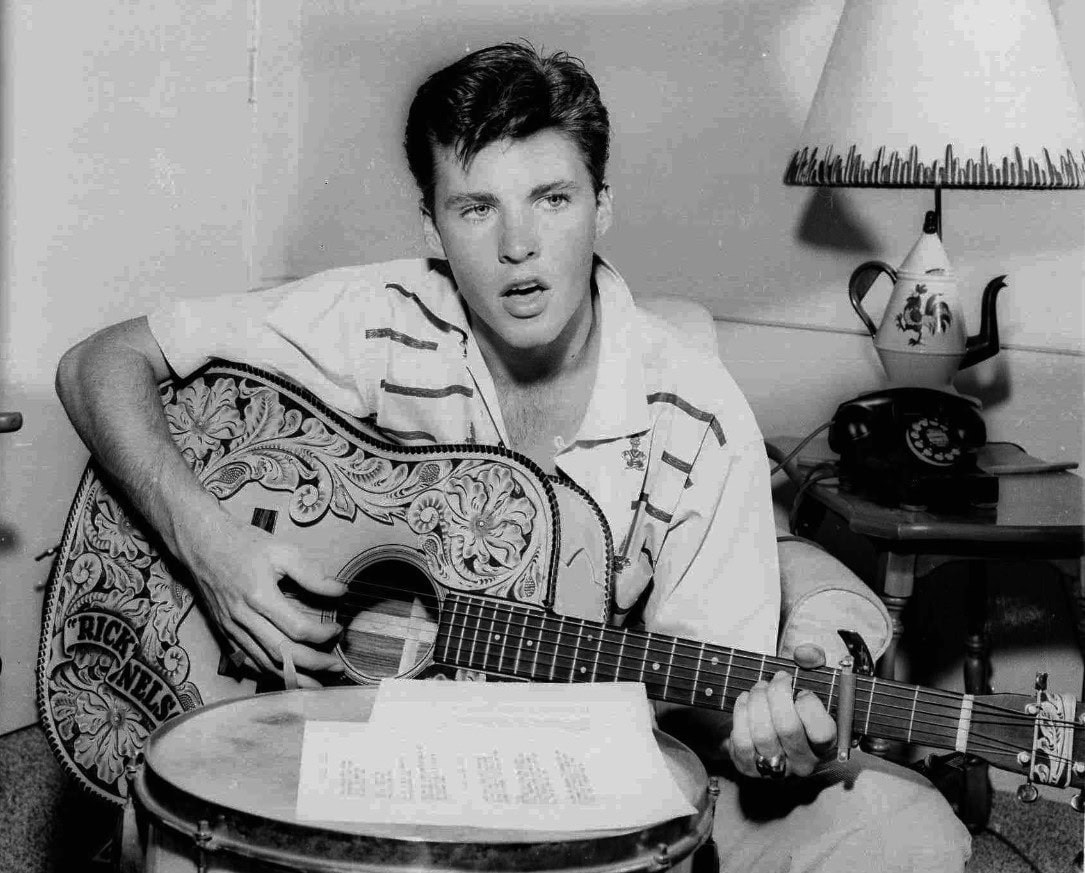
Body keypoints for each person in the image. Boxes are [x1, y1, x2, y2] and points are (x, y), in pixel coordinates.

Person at [56, 41, 970, 871]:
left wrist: (768, 738)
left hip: (562, 763)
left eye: (553, 198)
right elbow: (100, 361)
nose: (519, 246)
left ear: (602, 204)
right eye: (476, 207)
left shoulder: (692, 417)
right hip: (348, 737)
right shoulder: (377, 318)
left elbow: (715, 702)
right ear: (431, 226)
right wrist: (211, 545)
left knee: (907, 825)